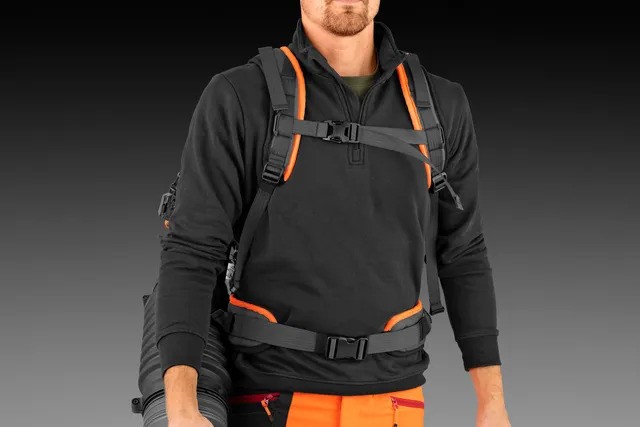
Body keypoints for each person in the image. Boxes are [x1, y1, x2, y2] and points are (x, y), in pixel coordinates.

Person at [155, 1, 511, 426]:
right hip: (274, 401)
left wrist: (492, 405)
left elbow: (464, 252)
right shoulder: (240, 96)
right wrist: (182, 409)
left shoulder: (440, 104)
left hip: (396, 403)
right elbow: (192, 250)